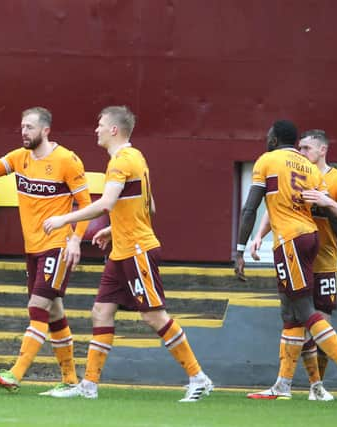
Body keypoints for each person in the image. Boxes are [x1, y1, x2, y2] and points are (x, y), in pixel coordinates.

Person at [43, 106, 213, 402]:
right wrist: (113, 230)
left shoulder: (121, 161)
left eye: (99, 125)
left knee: (154, 316)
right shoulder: (137, 157)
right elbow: (150, 206)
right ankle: (89, 385)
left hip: (137, 250)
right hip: (122, 249)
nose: (95, 129)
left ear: (113, 130)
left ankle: (199, 378)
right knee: (101, 311)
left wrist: (64, 220)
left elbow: (106, 203)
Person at [234, 120, 337, 403]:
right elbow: (317, 214)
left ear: (274, 139)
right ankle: (286, 385)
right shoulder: (308, 168)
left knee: (307, 310)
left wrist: (239, 250)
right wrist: (260, 235)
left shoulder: (268, 161)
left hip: (292, 243)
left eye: (267, 134)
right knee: (291, 313)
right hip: (308, 240)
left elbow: (251, 207)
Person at [0, 107, 92, 394]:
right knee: (53, 313)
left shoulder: (67, 160)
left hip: (57, 246)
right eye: (22, 127)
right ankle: (71, 381)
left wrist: (75, 239)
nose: (24, 132)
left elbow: (87, 205)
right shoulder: (19, 158)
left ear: (46, 130)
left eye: (29, 127)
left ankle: (15, 373)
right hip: (33, 248)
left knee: (37, 307)